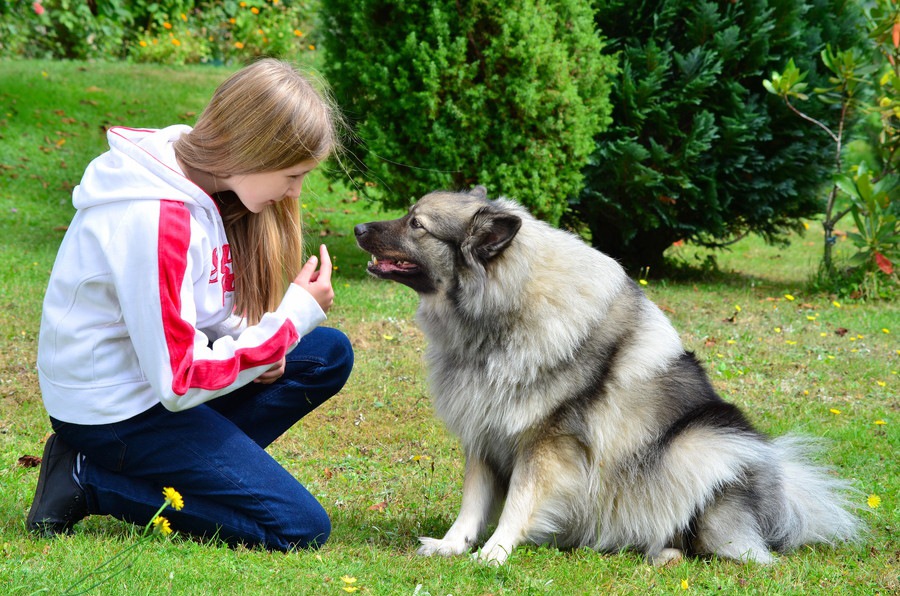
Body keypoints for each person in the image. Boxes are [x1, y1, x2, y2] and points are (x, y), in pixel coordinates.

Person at [26, 58, 353, 551]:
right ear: (253, 149)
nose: (295, 191)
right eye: (292, 174)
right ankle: (88, 479)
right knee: (299, 527)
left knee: (325, 354)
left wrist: (254, 343)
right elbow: (179, 381)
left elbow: (196, 312)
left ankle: (201, 465)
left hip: (146, 388)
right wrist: (288, 321)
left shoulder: (194, 178)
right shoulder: (159, 219)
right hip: (116, 414)